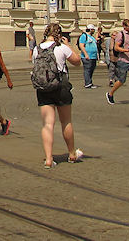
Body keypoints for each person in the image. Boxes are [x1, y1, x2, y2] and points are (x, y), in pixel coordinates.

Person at [33, 22, 83, 168]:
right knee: (66, 122)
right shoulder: (61, 48)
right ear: (59, 35)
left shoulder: (37, 49)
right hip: (61, 87)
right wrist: (68, 45)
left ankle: (48, 159)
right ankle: (72, 154)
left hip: (43, 88)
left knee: (48, 124)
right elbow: (77, 62)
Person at [77, 24, 99, 88]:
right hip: (87, 56)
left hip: (93, 56)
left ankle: (89, 82)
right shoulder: (84, 36)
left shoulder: (91, 37)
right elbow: (81, 45)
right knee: (87, 69)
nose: (94, 31)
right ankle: (88, 83)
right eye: (93, 29)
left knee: (91, 69)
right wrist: (86, 54)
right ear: (90, 29)